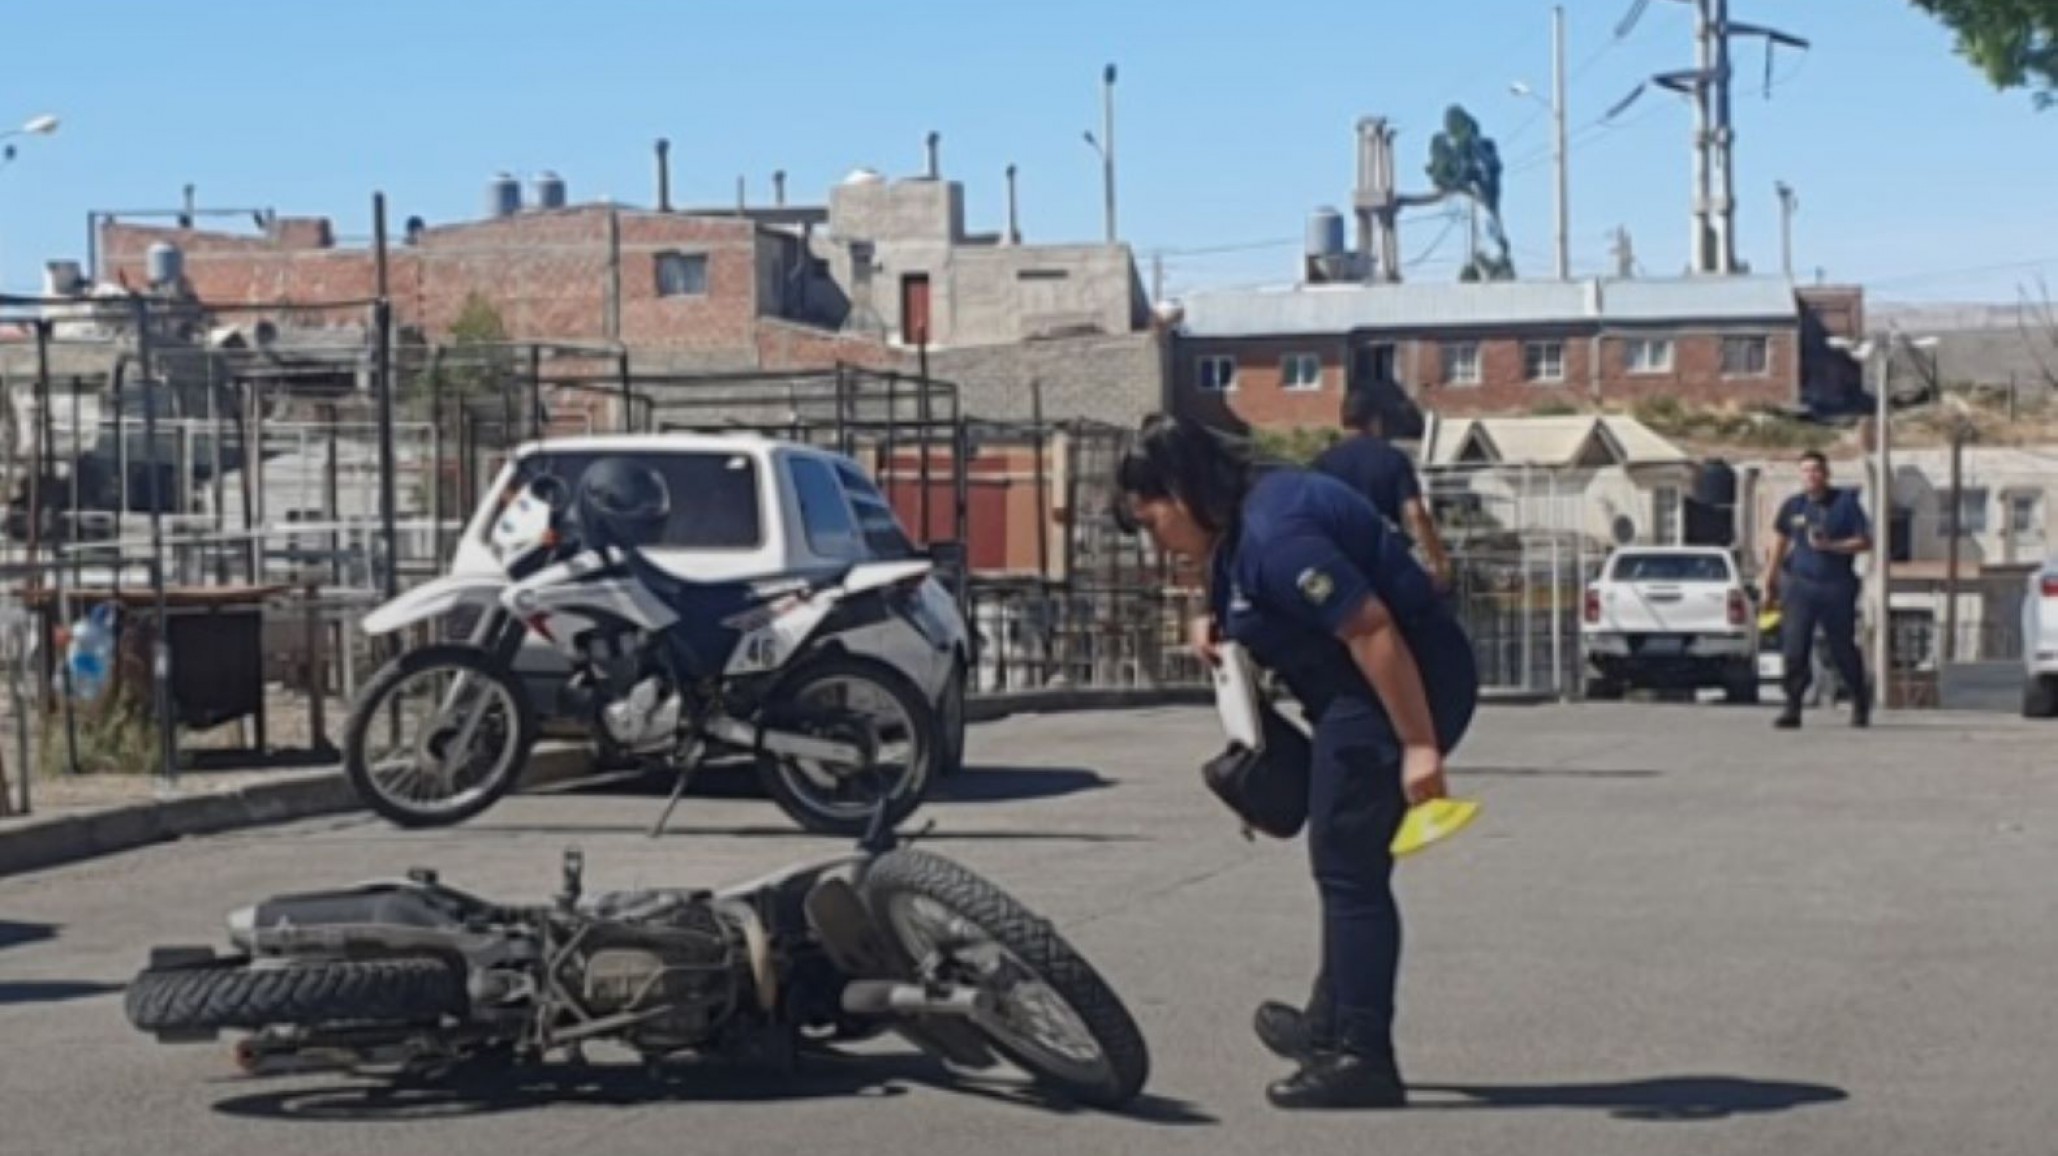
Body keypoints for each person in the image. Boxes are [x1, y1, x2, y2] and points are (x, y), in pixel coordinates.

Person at [1115, 414, 1478, 1110]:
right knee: (1344, 858)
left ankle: (1362, 1057)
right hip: (1354, 691)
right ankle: (1328, 1024)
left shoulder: (1279, 535)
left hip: (1397, 688)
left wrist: (1419, 745)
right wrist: (1207, 615)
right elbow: (1225, 573)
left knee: (1349, 868)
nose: (1153, 542)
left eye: (1151, 521)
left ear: (1184, 493)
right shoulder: (1242, 520)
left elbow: (1371, 627)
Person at [1764, 450, 1872, 728]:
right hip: (1800, 585)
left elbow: (1864, 541)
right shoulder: (1794, 506)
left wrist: (1831, 546)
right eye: (1806, 470)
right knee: (1794, 648)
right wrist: (1770, 580)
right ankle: (1793, 707)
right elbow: (1778, 542)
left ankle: (1859, 700)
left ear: (1826, 474)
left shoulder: (1845, 503)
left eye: (1816, 470)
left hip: (1836, 585)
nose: (1811, 475)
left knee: (1841, 649)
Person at [1312, 391, 1454, 591]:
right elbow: (1415, 514)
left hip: (1341, 561)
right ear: (1376, 421)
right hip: (1383, 560)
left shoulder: (1324, 462)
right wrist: (1438, 561)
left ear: (1343, 420)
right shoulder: (1393, 458)